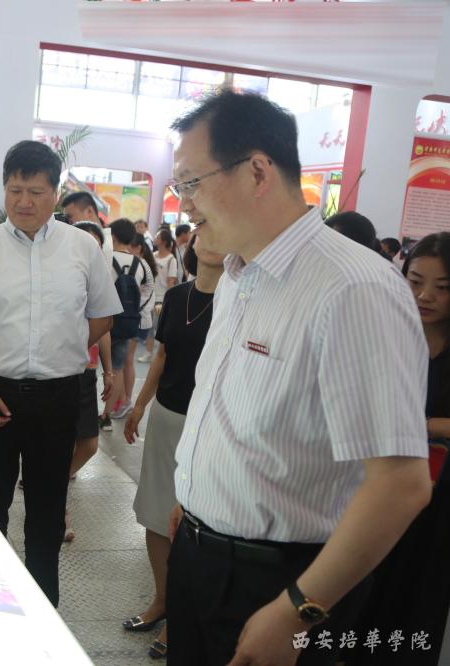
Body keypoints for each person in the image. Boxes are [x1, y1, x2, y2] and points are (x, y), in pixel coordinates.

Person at [164, 89, 430, 666]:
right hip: (198, 555)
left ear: (257, 170)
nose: (183, 204)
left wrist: (297, 611)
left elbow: (400, 485)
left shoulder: (352, 288)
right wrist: (197, 496)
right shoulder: (237, 274)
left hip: (280, 581)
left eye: (190, 182)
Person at [0, 140, 120, 606]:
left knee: (46, 511)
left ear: (55, 193)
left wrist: (60, 347)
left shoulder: (82, 247)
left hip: (57, 397)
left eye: (36, 192)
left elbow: (102, 315)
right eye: (15, 190)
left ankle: (43, 609)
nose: (24, 201)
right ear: (4, 188)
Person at [344, 232, 450, 665]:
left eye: (442, 287)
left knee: (418, 590)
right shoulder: (386, 333)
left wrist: (423, 425)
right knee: (364, 582)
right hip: (375, 483)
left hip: (437, 497)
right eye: (415, 281)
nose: (425, 296)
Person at [121, 234, 224, 660]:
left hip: (211, 427)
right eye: (202, 235)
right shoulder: (179, 296)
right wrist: (139, 404)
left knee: (193, 523)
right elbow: (162, 357)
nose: (209, 241)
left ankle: (181, 617)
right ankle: (162, 599)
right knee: (156, 511)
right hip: (166, 416)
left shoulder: (239, 301)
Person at [66, 221, 115, 541]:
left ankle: (51, 480)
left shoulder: (100, 280)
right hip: (59, 370)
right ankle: (58, 510)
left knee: (89, 444)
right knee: (60, 443)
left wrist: (108, 371)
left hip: (86, 370)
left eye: (96, 245)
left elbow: (105, 327)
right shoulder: (62, 275)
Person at [101, 218, 154, 428]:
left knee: (95, 367)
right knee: (117, 368)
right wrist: (138, 310)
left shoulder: (105, 258)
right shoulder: (140, 264)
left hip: (103, 323)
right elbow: (148, 288)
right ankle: (106, 416)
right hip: (127, 323)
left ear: (112, 236)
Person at [139, 227, 181, 363]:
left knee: (160, 328)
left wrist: (168, 301)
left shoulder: (171, 259)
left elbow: (171, 281)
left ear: (163, 241)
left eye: (157, 237)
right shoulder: (153, 255)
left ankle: (166, 354)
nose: (155, 238)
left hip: (162, 298)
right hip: (150, 296)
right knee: (150, 327)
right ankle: (148, 352)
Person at [130, 232, 159, 371]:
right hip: (142, 311)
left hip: (139, 312)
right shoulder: (142, 262)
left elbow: (134, 291)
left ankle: (148, 353)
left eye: (129, 245)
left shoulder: (138, 264)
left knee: (127, 360)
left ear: (138, 248)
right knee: (127, 360)